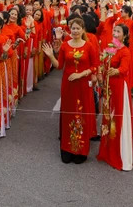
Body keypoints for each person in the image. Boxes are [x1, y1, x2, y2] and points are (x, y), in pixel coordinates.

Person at [42, 18, 99, 164]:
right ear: (70, 29)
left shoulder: (89, 46)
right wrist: (50, 55)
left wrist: (81, 74)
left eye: (78, 28)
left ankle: (80, 149)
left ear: (82, 30)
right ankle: (67, 148)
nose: (75, 31)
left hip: (83, 86)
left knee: (81, 114)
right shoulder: (65, 46)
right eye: (73, 28)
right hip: (68, 86)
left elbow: (95, 66)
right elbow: (59, 65)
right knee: (68, 114)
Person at [96, 23, 133, 171]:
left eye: (118, 31)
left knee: (117, 118)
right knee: (108, 118)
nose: (115, 33)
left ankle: (120, 154)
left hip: (118, 87)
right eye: (114, 31)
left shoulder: (125, 51)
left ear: (124, 35)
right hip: (108, 88)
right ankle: (107, 152)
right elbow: (103, 61)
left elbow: (125, 68)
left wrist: (116, 71)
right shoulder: (111, 47)